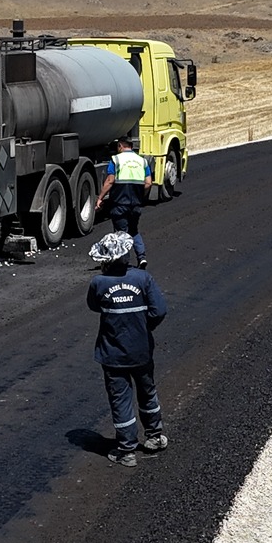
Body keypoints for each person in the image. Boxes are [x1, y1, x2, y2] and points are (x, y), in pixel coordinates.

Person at [85, 231, 168, 467]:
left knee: (121, 400)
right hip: (141, 350)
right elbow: (159, 310)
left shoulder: (98, 283)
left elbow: (94, 306)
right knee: (147, 392)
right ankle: (154, 437)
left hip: (113, 355)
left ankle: (127, 450)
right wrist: (143, 327)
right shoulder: (143, 278)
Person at [95, 137, 152, 268]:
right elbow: (148, 183)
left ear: (120, 146)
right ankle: (141, 258)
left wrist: (100, 198)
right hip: (136, 204)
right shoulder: (142, 161)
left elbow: (110, 181)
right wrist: (139, 195)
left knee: (121, 233)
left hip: (119, 203)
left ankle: (123, 262)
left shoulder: (116, 160)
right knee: (134, 230)